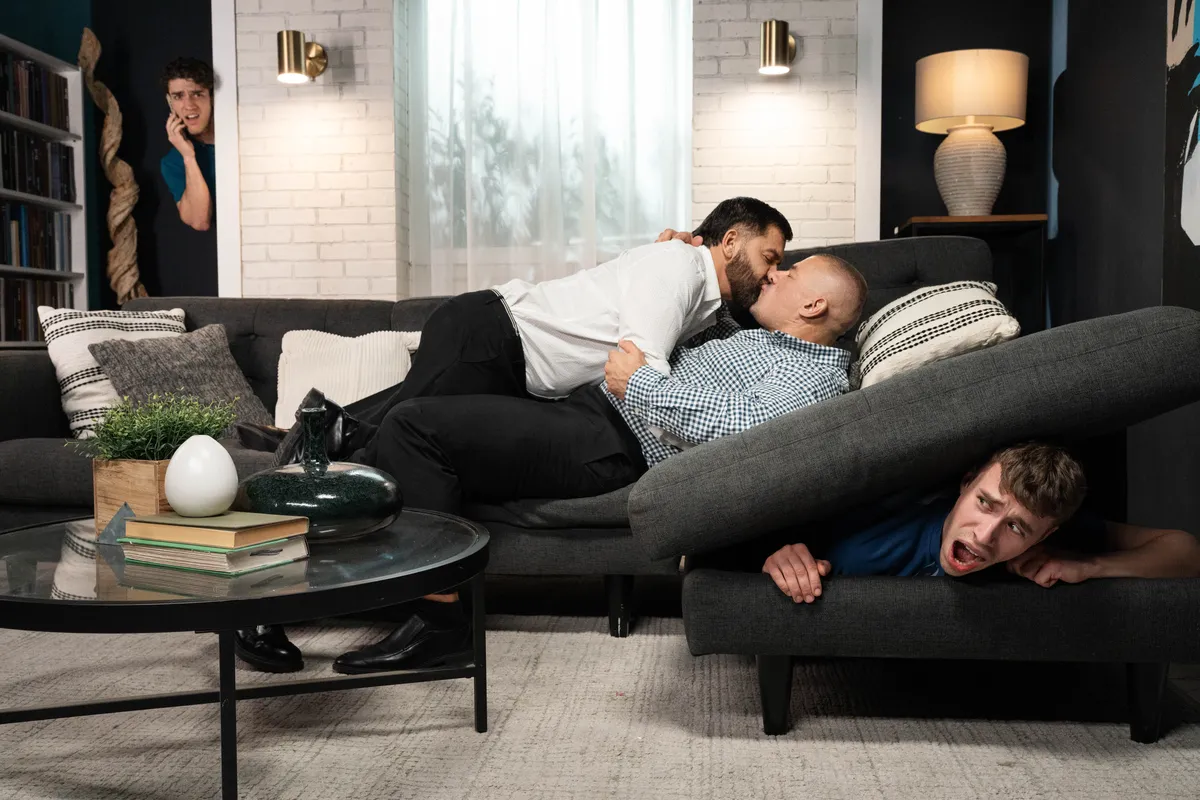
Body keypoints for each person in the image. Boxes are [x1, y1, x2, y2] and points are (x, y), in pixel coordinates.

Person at [324, 249, 867, 675]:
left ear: (813, 306)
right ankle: (326, 463)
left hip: (607, 442)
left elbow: (745, 431)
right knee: (408, 419)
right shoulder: (758, 338)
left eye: (791, 273)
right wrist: (685, 250)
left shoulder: (812, 375)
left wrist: (641, 383)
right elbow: (696, 295)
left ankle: (441, 625)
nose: (774, 274)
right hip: (585, 410)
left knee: (415, 426)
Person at [272, 196, 793, 465]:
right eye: (769, 257)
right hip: (491, 338)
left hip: (495, 346)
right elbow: (639, 374)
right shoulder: (678, 267)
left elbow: (741, 332)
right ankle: (291, 473)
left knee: (384, 426)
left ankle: (309, 427)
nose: (773, 273)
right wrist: (694, 450)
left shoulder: (701, 294)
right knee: (387, 447)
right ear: (729, 242)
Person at [754, 442, 1200, 604]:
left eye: (1017, 528)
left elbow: (1183, 549)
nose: (985, 537)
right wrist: (785, 557)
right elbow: (777, 535)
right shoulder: (871, 536)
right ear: (965, 485)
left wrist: (1089, 567)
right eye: (985, 503)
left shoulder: (1052, 540)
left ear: (1045, 535)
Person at [160, 57, 216, 232]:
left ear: (212, 97)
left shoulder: (238, 137)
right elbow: (200, 222)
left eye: (197, 94)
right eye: (178, 97)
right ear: (170, 103)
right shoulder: (173, 161)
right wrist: (188, 157)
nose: (189, 105)